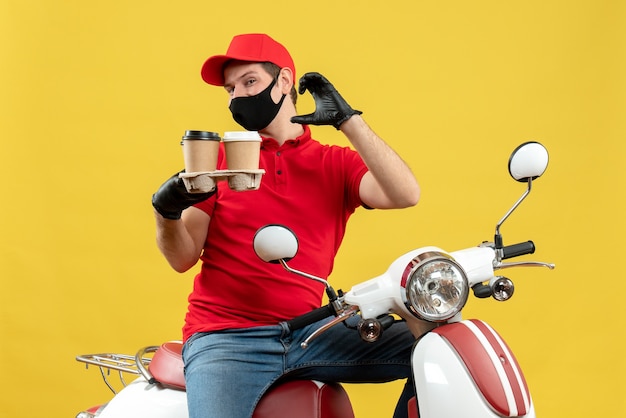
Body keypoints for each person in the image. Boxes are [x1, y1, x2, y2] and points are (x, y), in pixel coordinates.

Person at [152, 33, 422, 418]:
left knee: (436, 349)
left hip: (311, 332)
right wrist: (167, 213)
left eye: (249, 82)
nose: (237, 98)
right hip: (226, 339)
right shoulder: (218, 161)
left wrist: (349, 121)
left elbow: (406, 193)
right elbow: (182, 258)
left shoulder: (334, 163)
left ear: (283, 82)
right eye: (230, 89)